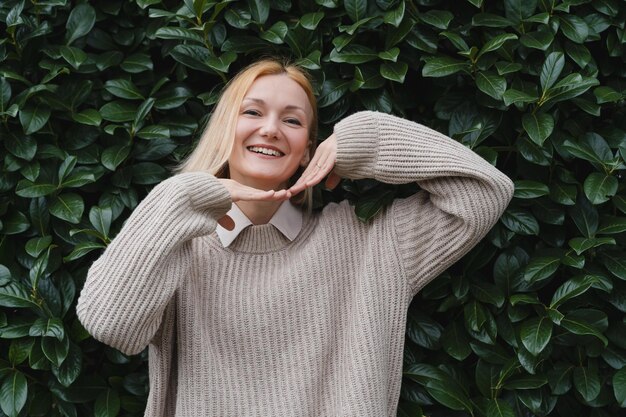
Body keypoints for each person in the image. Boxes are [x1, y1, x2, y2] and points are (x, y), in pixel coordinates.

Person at [76, 59, 514, 417]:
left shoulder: (370, 243)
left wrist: (362, 140)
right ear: (224, 130)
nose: (270, 129)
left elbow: (483, 193)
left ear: (308, 148)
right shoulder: (179, 246)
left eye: (292, 120)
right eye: (252, 112)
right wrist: (185, 197)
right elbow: (111, 324)